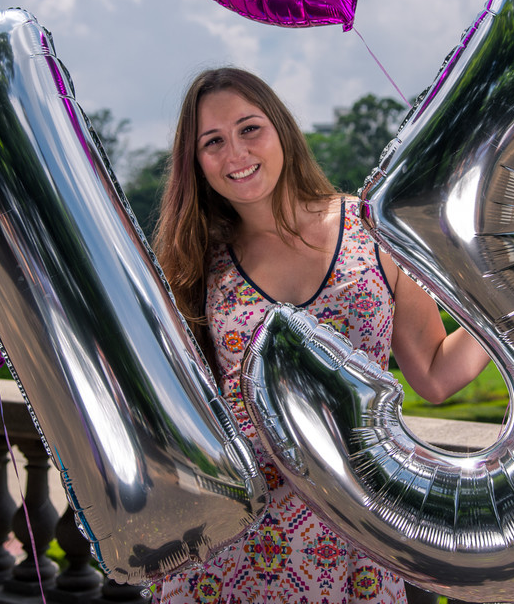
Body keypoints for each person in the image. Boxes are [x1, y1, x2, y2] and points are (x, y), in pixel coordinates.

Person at [151, 67, 491, 603]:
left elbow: (435, 373)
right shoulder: (196, 265)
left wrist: (509, 295)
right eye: (212, 142)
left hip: (357, 535)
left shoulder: (374, 226)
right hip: (230, 548)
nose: (235, 152)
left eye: (248, 128)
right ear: (195, 163)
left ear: (282, 129)